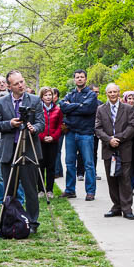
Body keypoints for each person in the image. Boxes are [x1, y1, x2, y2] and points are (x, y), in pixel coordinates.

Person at [0, 70, 45, 233]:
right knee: (9, 191)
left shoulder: (35, 100)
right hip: (9, 151)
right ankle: (9, 221)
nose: (21, 85)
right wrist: (10, 124)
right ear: (9, 86)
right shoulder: (1, 102)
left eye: (22, 81)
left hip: (29, 150)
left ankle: (32, 223)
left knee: (30, 189)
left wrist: (33, 128)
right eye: (16, 83)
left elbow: (41, 123)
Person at [95, 83, 134, 219]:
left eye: (115, 92)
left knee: (125, 179)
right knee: (111, 179)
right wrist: (109, 140)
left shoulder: (128, 108)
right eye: (110, 92)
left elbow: (132, 126)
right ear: (106, 94)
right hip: (108, 149)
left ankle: (127, 208)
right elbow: (98, 128)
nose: (112, 94)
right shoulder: (101, 109)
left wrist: (118, 138)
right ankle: (117, 207)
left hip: (124, 148)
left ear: (119, 93)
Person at [58, 69, 98, 200]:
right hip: (70, 132)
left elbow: (87, 109)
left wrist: (72, 107)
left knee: (88, 164)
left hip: (85, 133)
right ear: (74, 79)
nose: (79, 79)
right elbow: (63, 107)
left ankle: (90, 192)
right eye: (77, 77)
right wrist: (79, 106)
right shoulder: (70, 94)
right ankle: (70, 190)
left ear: (86, 79)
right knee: (69, 163)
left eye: (81, 77)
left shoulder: (91, 95)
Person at [37, 86, 63, 197]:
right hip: (41, 141)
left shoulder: (58, 110)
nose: (48, 97)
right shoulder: (38, 109)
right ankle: (41, 190)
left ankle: (49, 190)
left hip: (53, 141)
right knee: (40, 165)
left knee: (51, 166)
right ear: (41, 97)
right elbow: (36, 125)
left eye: (50, 95)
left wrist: (53, 137)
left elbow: (59, 126)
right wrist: (42, 137)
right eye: (45, 95)